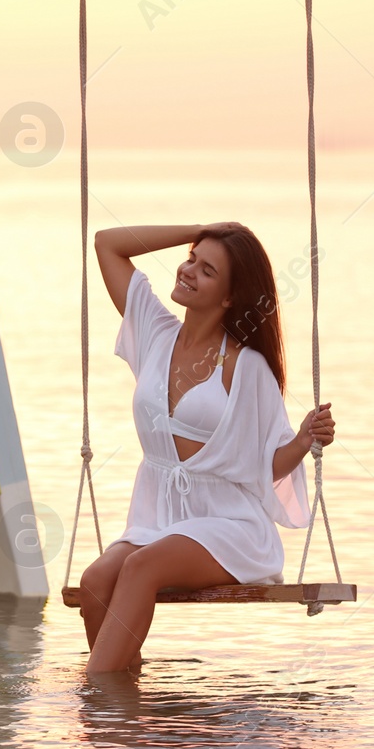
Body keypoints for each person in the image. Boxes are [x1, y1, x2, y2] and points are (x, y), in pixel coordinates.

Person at [77, 222, 335, 677]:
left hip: (228, 524)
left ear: (230, 297)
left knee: (140, 567)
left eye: (207, 270)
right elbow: (107, 243)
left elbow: (266, 465)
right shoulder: (155, 333)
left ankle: (94, 699)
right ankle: (122, 701)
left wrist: (302, 440)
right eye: (191, 259)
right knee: (95, 581)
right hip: (157, 519)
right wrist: (201, 230)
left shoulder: (245, 366)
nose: (189, 270)